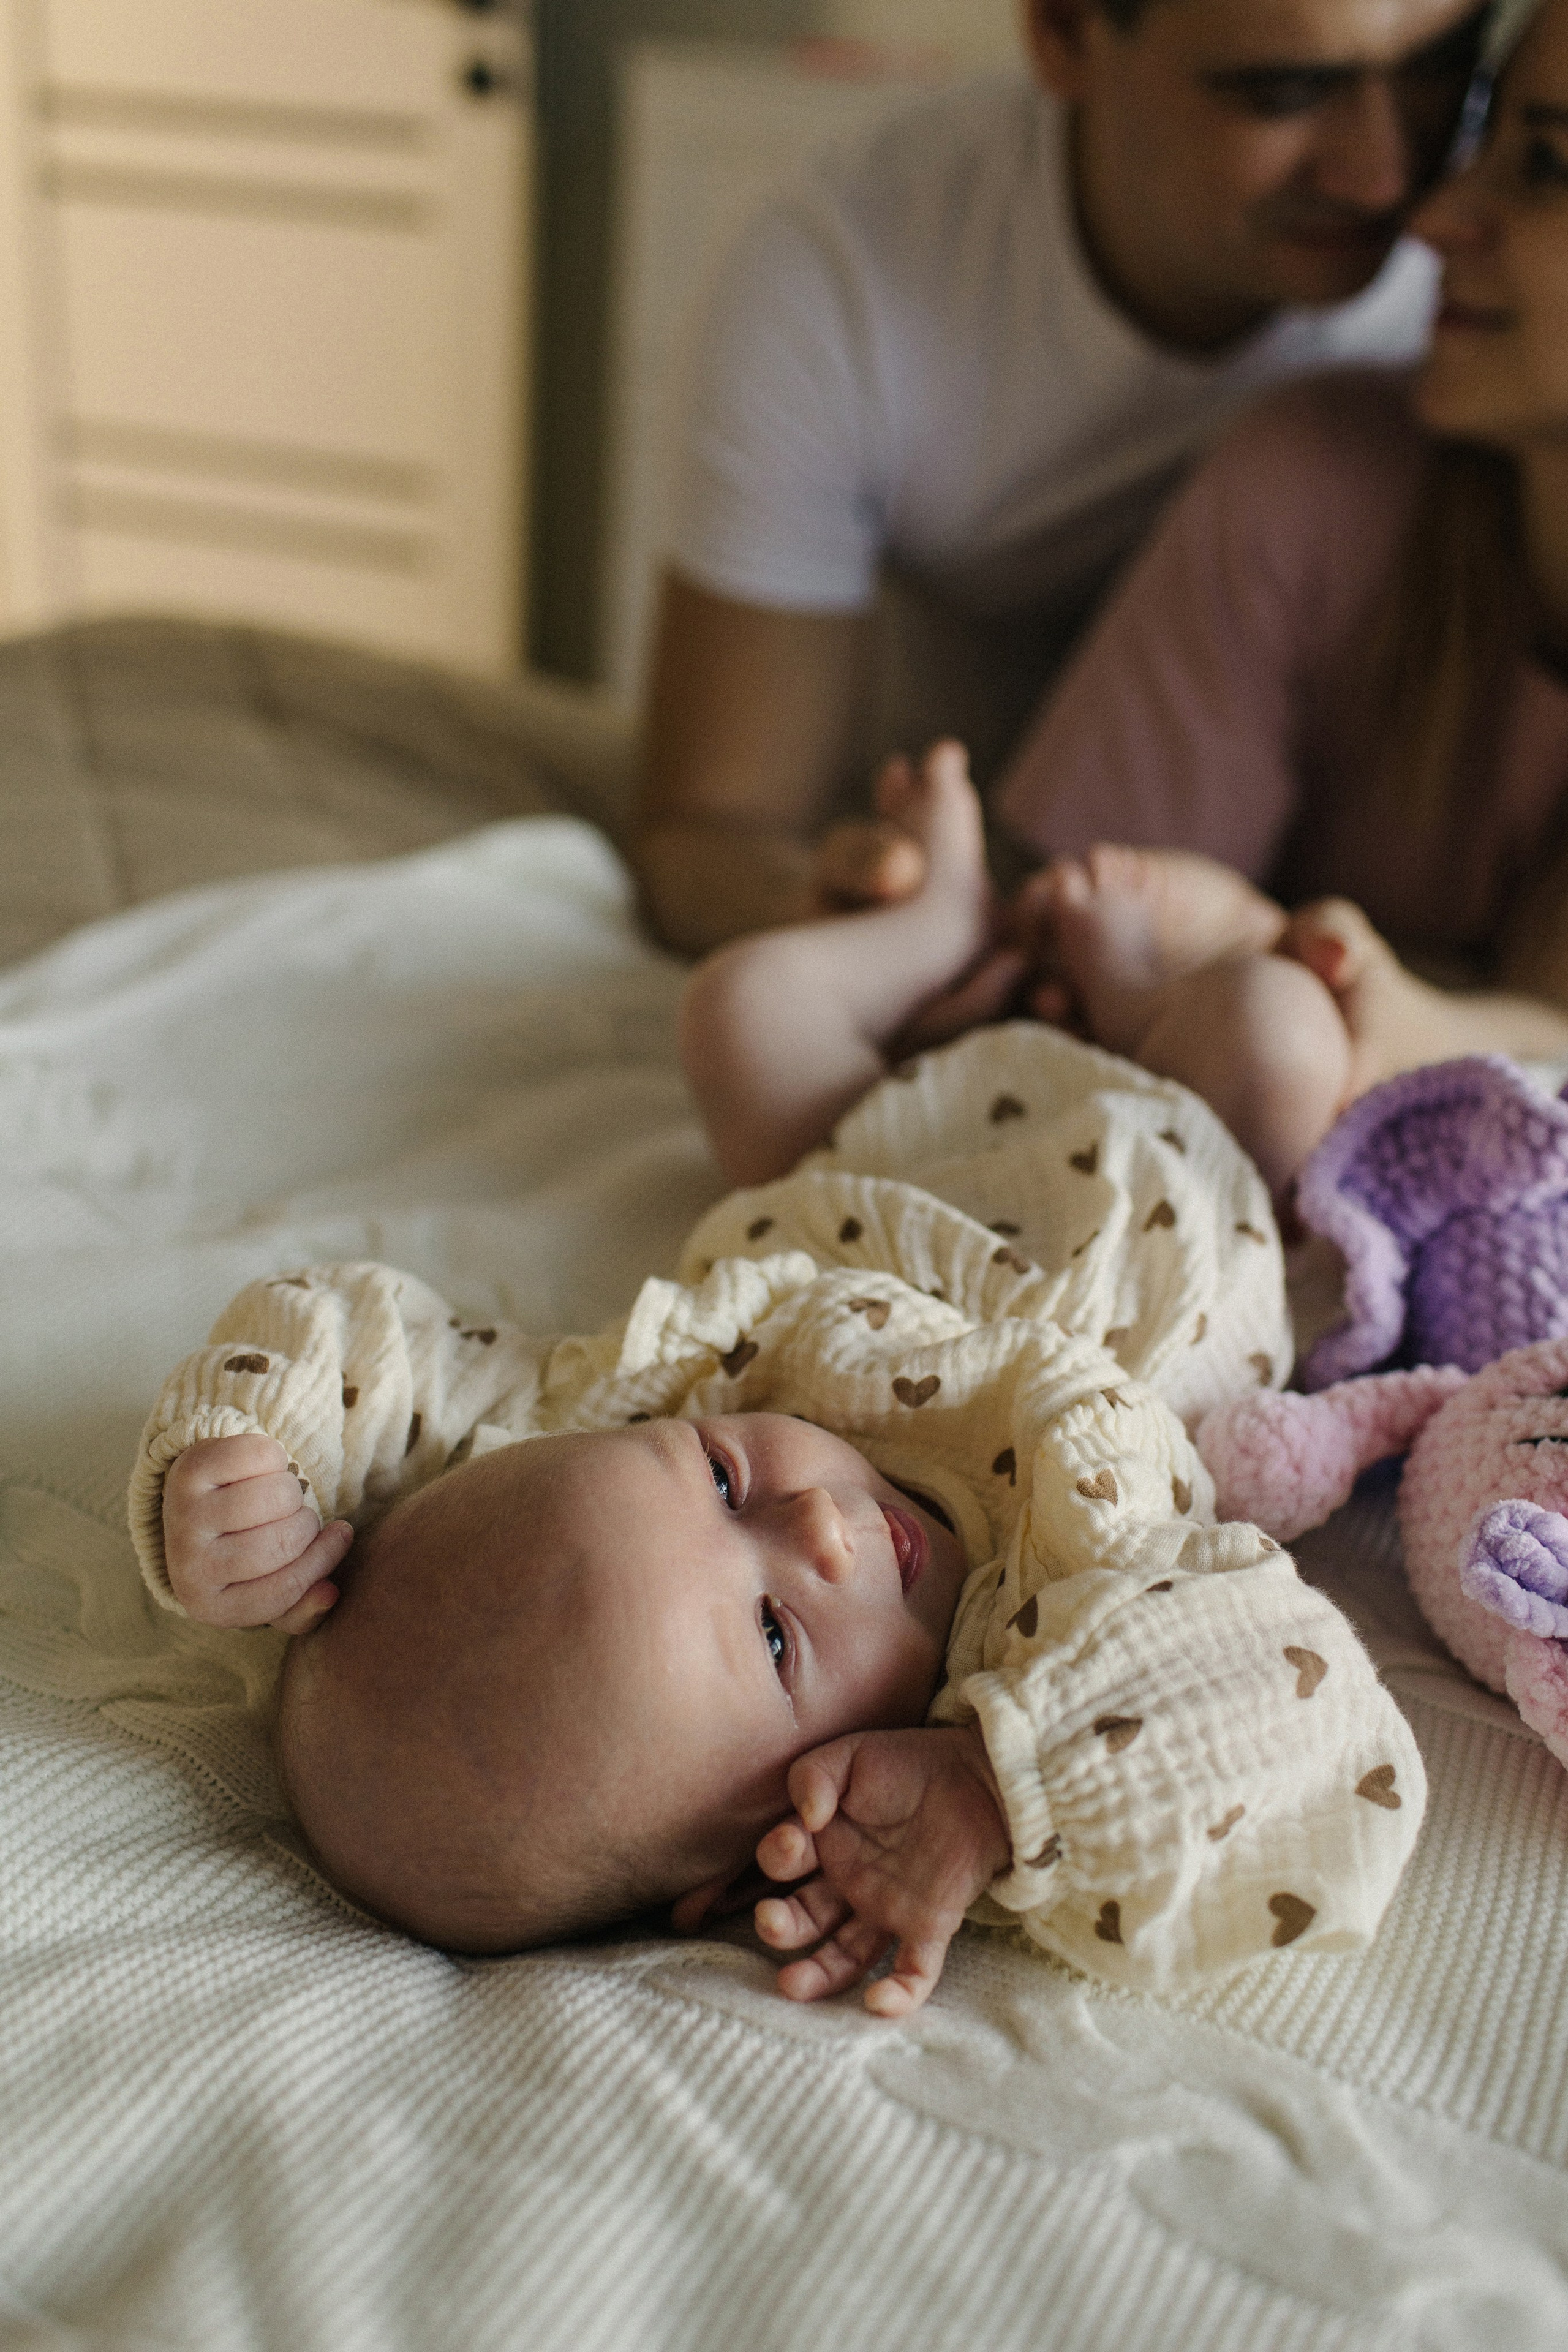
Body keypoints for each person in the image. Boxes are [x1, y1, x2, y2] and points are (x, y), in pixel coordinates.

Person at [130, 748, 1422, 2018]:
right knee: (1272, 1027)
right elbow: (1302, 1716)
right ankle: (1133, 1000)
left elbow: (373, 1348)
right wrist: (1003, 1791)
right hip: (1182, 1183)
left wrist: (253, 1457)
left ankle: (934, 929)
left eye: (720, 1474)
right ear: (755, 1854)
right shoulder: (1036, 1636)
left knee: (736, 1012)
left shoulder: (624, 1405)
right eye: (770, 1634)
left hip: (893, 1139)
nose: (808, 1525)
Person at [633, 0, 1488, 954]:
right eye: (1280, 91)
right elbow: (710, 831)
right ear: (1064, 33)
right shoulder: (842, 280)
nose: (1384, 176)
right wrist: (868, 919)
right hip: (961, 845)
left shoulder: (1492, 276)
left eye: (1444, 68)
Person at [991, 0, 1568, 1177]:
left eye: (1550, 165)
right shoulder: (1314, 480)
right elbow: (1067, 989)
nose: (1435, 212)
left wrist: (1370, 1011)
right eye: (1484, 131)